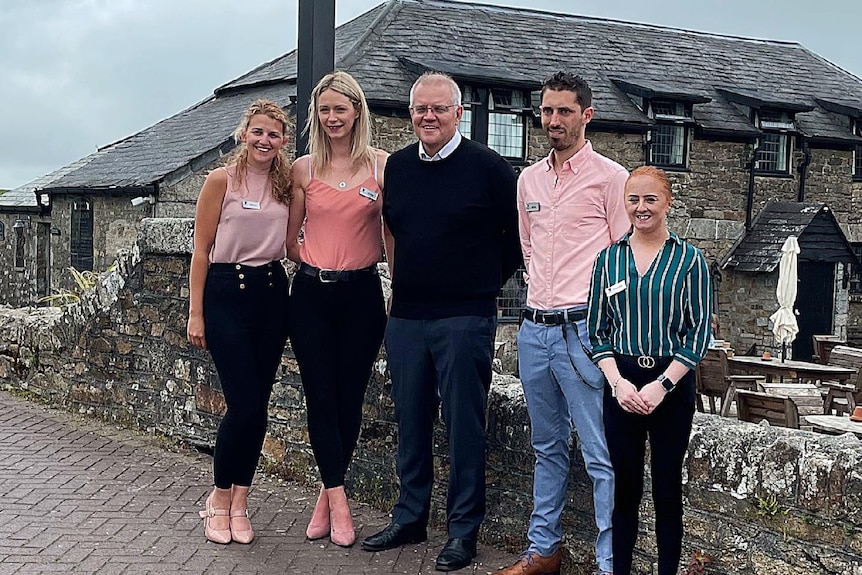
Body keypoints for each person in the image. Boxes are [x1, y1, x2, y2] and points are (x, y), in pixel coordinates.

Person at [360, 71, 522, 572]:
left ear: (458, 112)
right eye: (420, 109)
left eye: (439, 109)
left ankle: (462, 531)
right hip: (407, 314)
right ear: (411, 114)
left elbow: (516, 240)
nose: (428, 117)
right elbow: (395, 231)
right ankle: (410, 516)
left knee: (464, 425)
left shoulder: (490, 168)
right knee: (409, 419)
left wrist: (479, 282)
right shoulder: (400, 169)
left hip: (464, 316)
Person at [493, 72, 628, 575]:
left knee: (599, 454)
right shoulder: (527, 180)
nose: (553, 120)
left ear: (586, 115)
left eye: (564, 111)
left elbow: (623, 262)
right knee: (546, 447)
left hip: (583, 332)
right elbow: (528, 249)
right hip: (534, 330)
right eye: (547, 111)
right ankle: (543, 551)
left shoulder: (612, 179)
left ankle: (607, 562)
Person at [587, 166, 712, 575]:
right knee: (624, 489)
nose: (641, 208)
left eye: (650, 199)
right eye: (633, 200)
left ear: (667, 203)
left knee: (666, 489)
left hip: (670, 383)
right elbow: (597, 330)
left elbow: (697, 334)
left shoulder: (690, 260)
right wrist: (617, 382)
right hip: (621, 382)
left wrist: (662, 384)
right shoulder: (609, 259)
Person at [286, 71, 389, 548]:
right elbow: (289, 239)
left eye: (339, 109)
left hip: (362, 295)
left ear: (357, 112)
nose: (332, 118)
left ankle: (327, 494)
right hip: (310, 295)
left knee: (350, 399)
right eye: (324, 110)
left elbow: (392, 237)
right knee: (320, 397)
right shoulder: (303, 169)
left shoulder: (382, 167)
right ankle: (340, 500)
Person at [187, 99, 292, 544]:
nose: (264, 140)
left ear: (283, 141)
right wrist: (196, 312)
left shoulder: (289, 183)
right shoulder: (221, 180)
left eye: (273, 134)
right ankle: (218, 498)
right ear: (243, 134)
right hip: (227, 294)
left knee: (259, 405)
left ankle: (242, 501)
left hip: (271, 293)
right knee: (244, 404)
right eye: (257, 132)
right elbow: (200, 251)